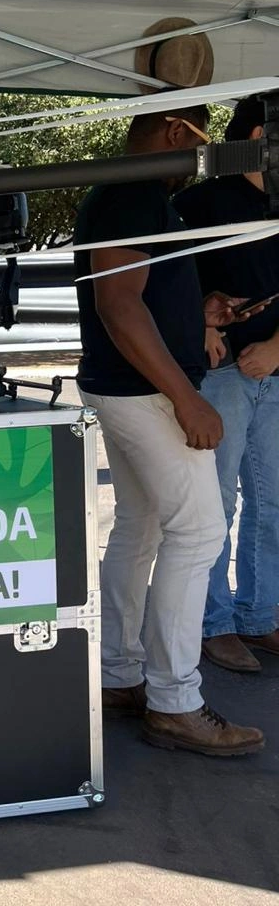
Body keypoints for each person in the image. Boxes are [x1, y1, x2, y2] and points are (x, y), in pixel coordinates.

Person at [74, 105, 264, 755]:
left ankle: (120, 675)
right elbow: (118, 304)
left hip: (127, 387)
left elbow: (138, 294)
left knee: (143, 527)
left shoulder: (129, 194)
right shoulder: (132, 195)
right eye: (201, 147)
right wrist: (186, 399)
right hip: (147, 393)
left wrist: (199, 309)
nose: (200, 167)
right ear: (177, 133)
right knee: (200, 532)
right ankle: (176, 700)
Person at [175, 97, 279, 673]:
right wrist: (198, 324)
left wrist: (277, 346)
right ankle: (214, 623)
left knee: (271, 501)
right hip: (219, 377)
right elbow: (163, 281)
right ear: (261, 136)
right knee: (215, 504)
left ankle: (260, 616)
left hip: (272, 373)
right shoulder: (196, 204)